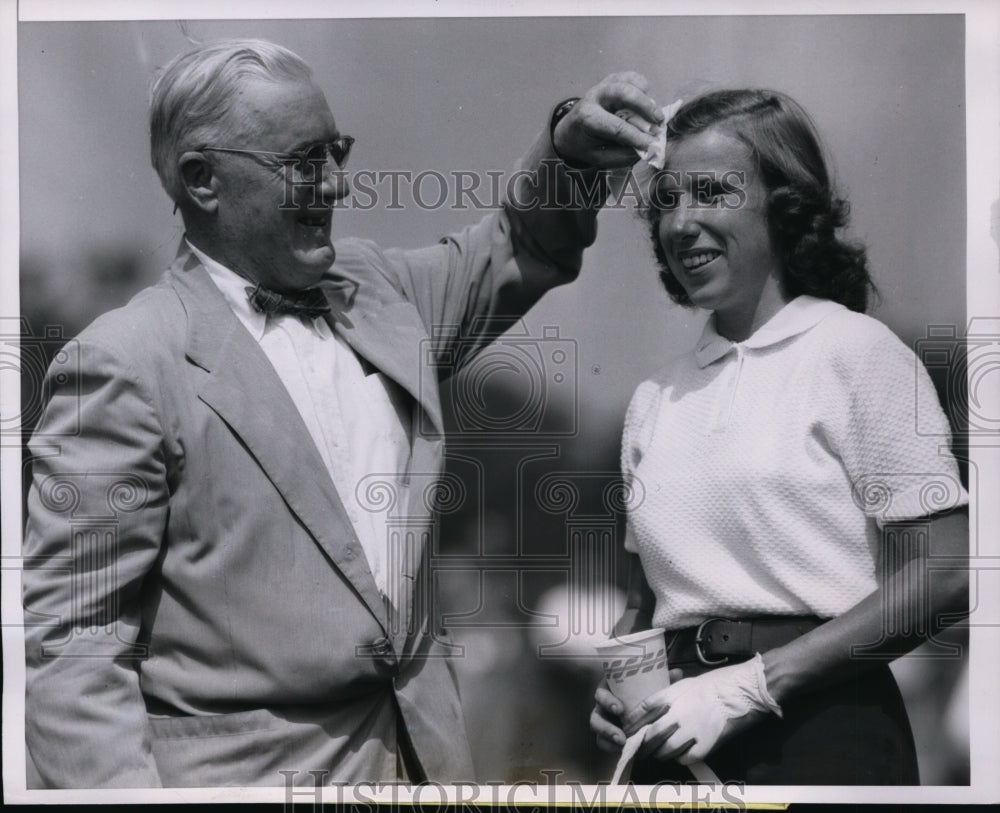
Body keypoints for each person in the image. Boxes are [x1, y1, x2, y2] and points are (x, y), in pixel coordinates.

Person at [21, 38, 666, 788]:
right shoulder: (125, 362)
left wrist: (570, 153)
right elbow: (75, 644)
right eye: (302, 162)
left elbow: (518, 244)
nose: (334, 185)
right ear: (203, 180)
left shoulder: (378, 291)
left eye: (336, 152)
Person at [590, 89, 969, 785]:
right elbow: (643, 604)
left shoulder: (855, 353)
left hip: (824, 729)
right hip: (677, 743)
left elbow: (947, 572)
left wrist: (752, 685)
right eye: (667, 200)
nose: (682, 223)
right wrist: (617, 693)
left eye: (710, 192)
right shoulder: (652, 400)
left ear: (784, 203)